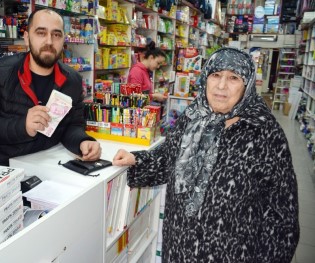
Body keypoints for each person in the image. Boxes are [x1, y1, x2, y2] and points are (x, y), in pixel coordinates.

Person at [113, 47, 299, 262]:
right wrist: (136, 159)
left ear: (246, 86)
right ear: (206, 79)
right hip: (180, 245)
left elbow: (282, 214)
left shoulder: (265, 133)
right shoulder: (192, 117)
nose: (221, 86)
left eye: (233, 78)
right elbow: (168, 158)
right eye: (216, 75)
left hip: (232, 252)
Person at [0, 9, 101, 166]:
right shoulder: (0, 71)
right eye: (41, 33)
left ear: (63, 40)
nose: (49, 41)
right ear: (26, 38)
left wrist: (82, 142)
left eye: (56, 35)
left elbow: (72, 125)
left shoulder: (73, 81)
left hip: (41, 166)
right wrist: (22, 126)